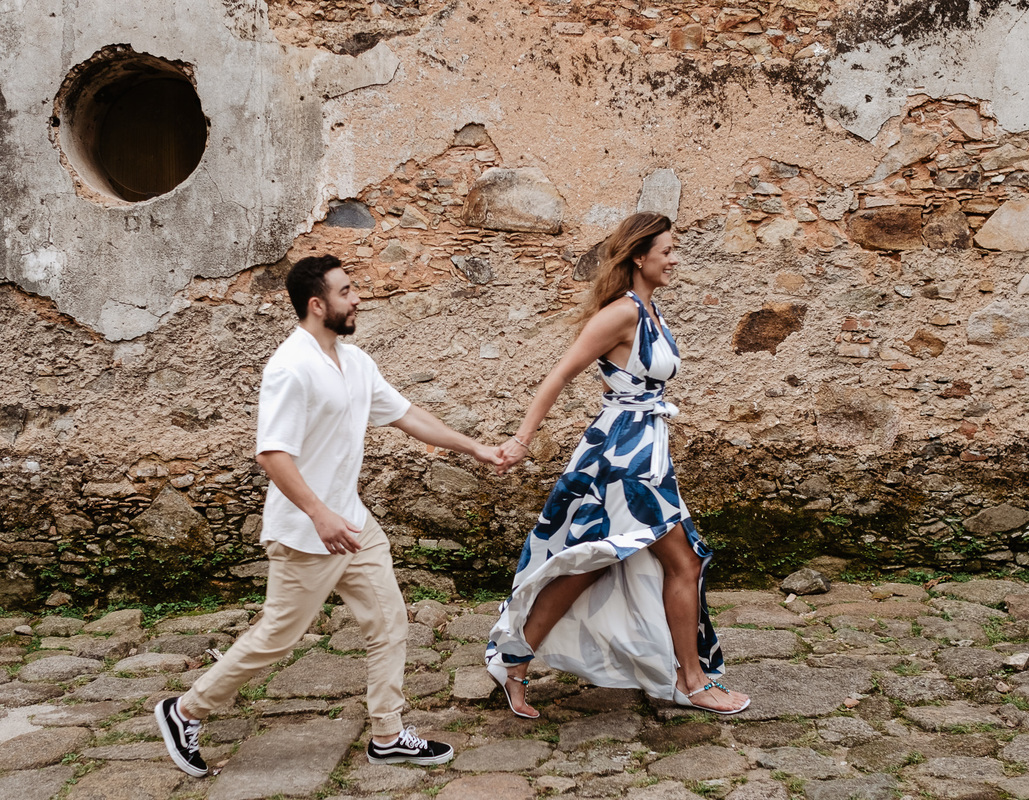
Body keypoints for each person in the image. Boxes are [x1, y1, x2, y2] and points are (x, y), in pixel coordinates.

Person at [156, 255, 502, 777]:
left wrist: (473, 447)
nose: (357, 297)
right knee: (278, 636)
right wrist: (319, 515)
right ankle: (185, 710)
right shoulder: (290, 367)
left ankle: (387, 734)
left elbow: (407, 415)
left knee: (389, 622)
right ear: (317, 305)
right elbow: (273, 454)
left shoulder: (356, 361)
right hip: (306, 531)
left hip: (353, 523)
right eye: (346, 291)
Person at [485, 212, 750, 718]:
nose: (675, 259)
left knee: (593, 564)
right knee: (679, 560)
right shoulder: (621, 313)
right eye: (666, 251)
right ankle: (690, 681)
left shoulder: (650, 310)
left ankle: (513, 664)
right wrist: (521, 440)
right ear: (638, 256)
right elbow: (560, 374)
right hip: (621, 459)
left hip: (645, 452)